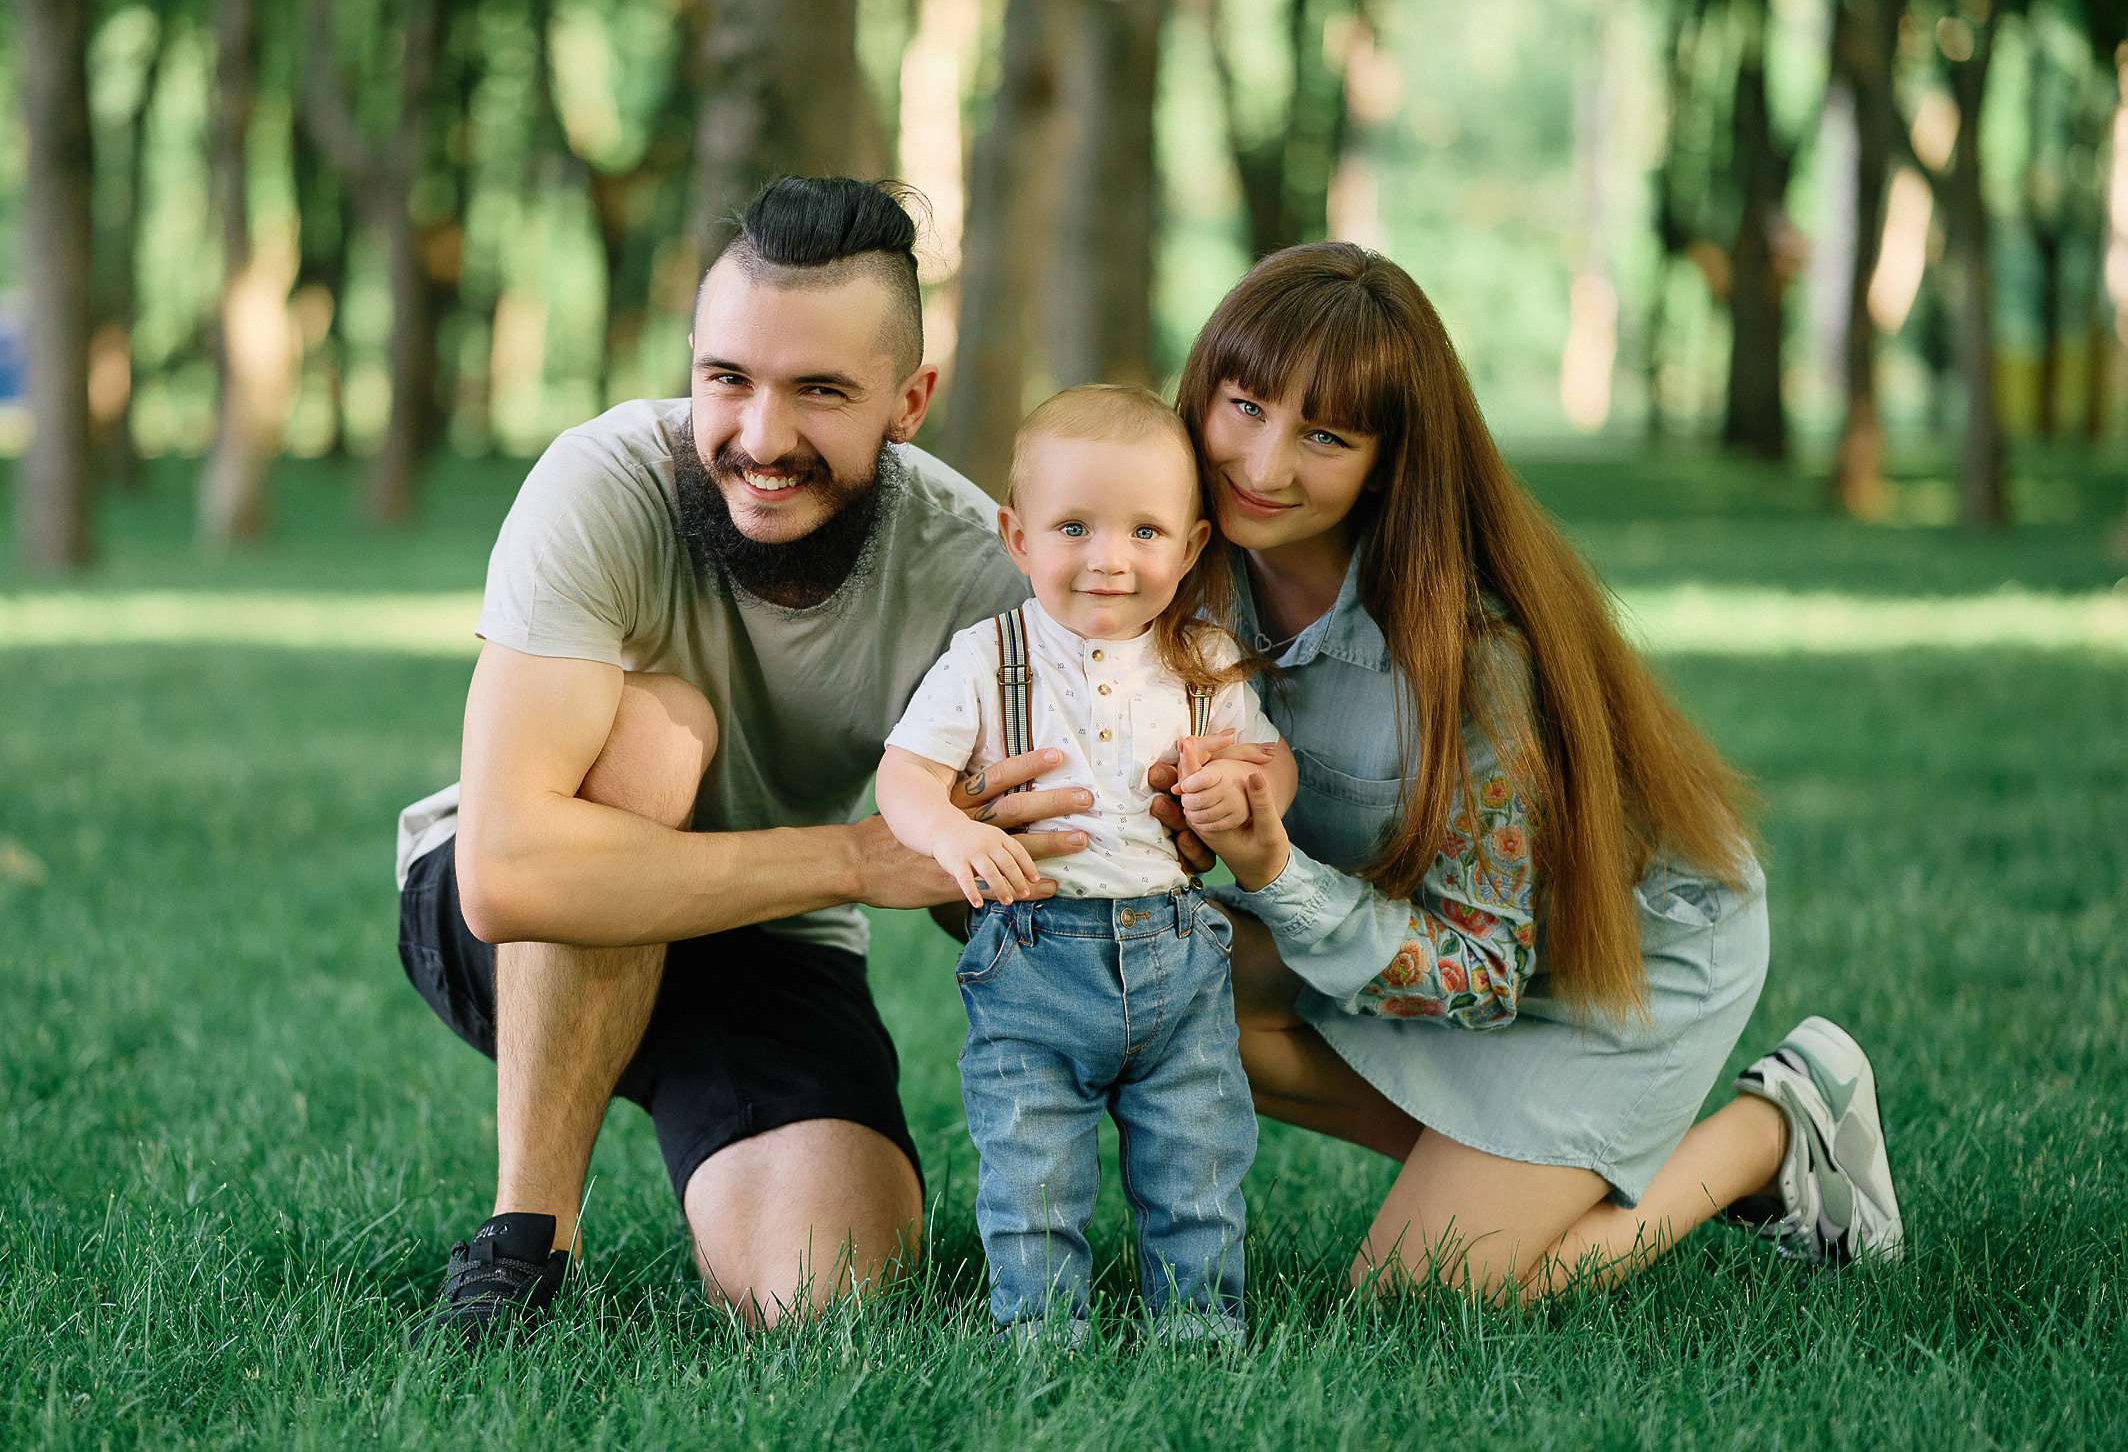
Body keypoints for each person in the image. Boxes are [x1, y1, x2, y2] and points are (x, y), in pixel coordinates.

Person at [393, 177, 1093, 1344]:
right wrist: (860, 860)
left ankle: (704, 1119)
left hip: (767, 936)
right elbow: (509, 875)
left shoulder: (980, 580)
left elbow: (1012, 880)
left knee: (824, 1295)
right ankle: (526, 1239)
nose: (761, 438)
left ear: (908, 400)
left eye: (820, 391)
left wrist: (996, 860)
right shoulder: (602, 483)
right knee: (663, 728)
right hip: (509, 918)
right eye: (729, 379)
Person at [1150, 243, 1904, 1298]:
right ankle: (1523, 1161)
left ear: (1388, 459)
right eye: (1245, 406)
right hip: (1411, 928)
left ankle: (1774, 1131)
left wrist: (1274, 873)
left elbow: (1480, 972)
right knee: (1134, 987)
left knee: (1428, 1294)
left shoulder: (1478, 653)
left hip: (1621, 962)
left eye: (1325, 435)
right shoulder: (1170, 566)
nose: (1265, 465)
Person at [875, 386, 1296, 1345]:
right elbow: (903, 774)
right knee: (1032, 1164)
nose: (1110, 558)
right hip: (1034, 958)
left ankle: (1198, 1327)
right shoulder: (990, 659)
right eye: (1075, 527)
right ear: (1016, 538)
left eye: (1145, 530)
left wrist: (1242, 796)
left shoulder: (1204, 660)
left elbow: (1266, 763)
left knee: (1197, 1152)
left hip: (1177, 956)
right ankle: (1041, 1328)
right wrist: (950, 833)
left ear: (1191, 547)